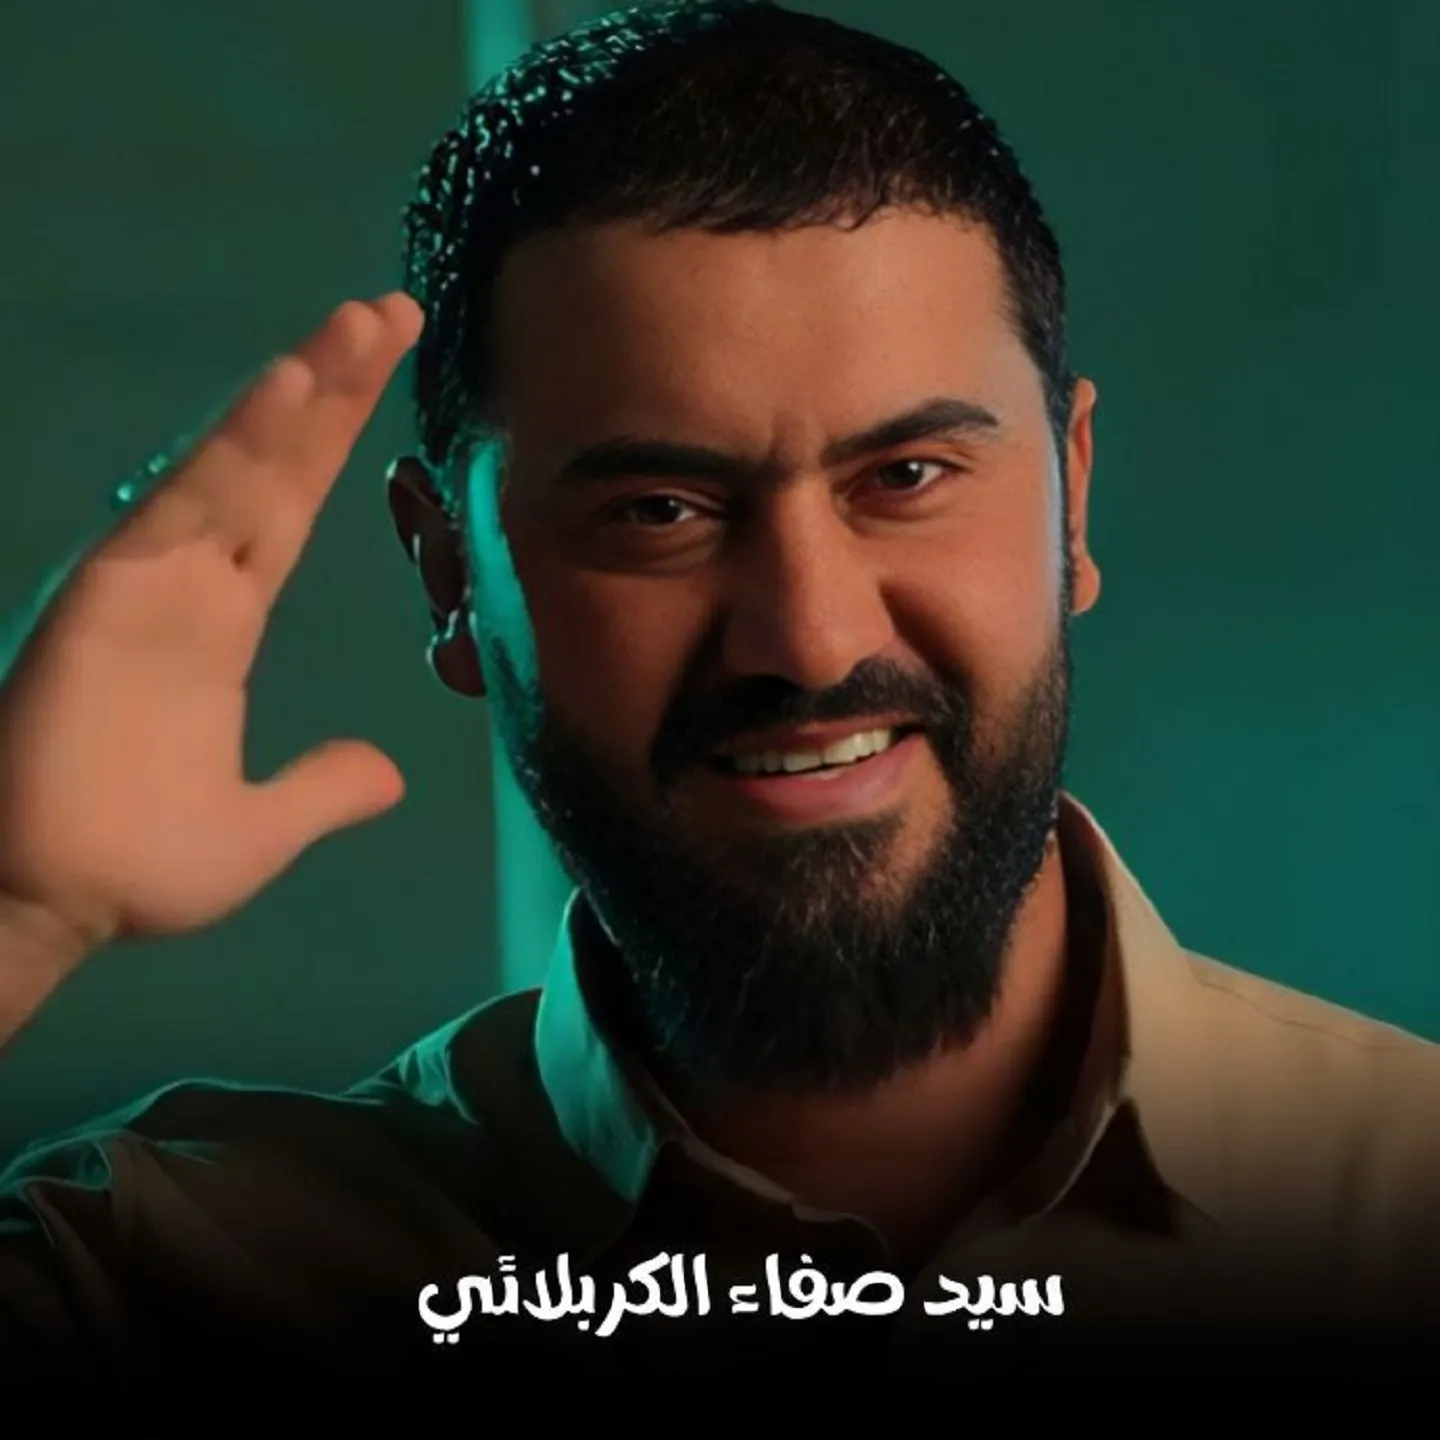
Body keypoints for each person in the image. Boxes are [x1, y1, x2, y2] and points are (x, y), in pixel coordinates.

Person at [0, 0, 1435, 1401]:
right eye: (660, 510)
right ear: (449, 568)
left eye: (907, 477)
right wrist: (17, 916)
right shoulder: (167, 1289)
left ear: (1071, 493)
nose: (809, 640)